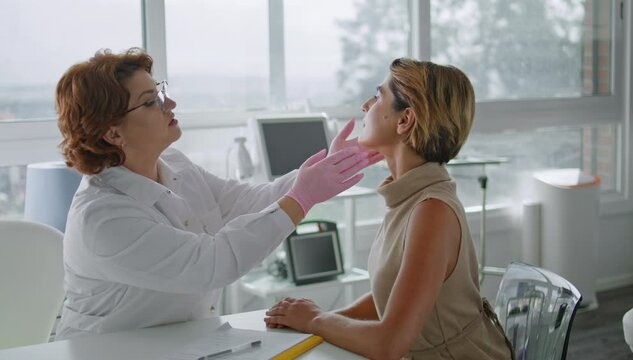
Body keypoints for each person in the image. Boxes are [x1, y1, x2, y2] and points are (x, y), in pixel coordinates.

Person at [53, 48, 381, 339]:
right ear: (112, 132)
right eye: (151, 102)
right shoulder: (103, 217)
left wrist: (324, 170)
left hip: (185, 341)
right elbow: (211, 264)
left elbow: (244, 202)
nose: (170, 104)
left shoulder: (172, 163)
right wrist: (302, 198)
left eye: (160, 92)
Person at [264, 58, 515, 360]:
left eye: (379, 95)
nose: (366, 105)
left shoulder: (431, 211)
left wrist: (316, 319)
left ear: (404, 120)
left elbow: (389, 344)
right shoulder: (408, 196)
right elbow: (396, 294)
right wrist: (322, 322)